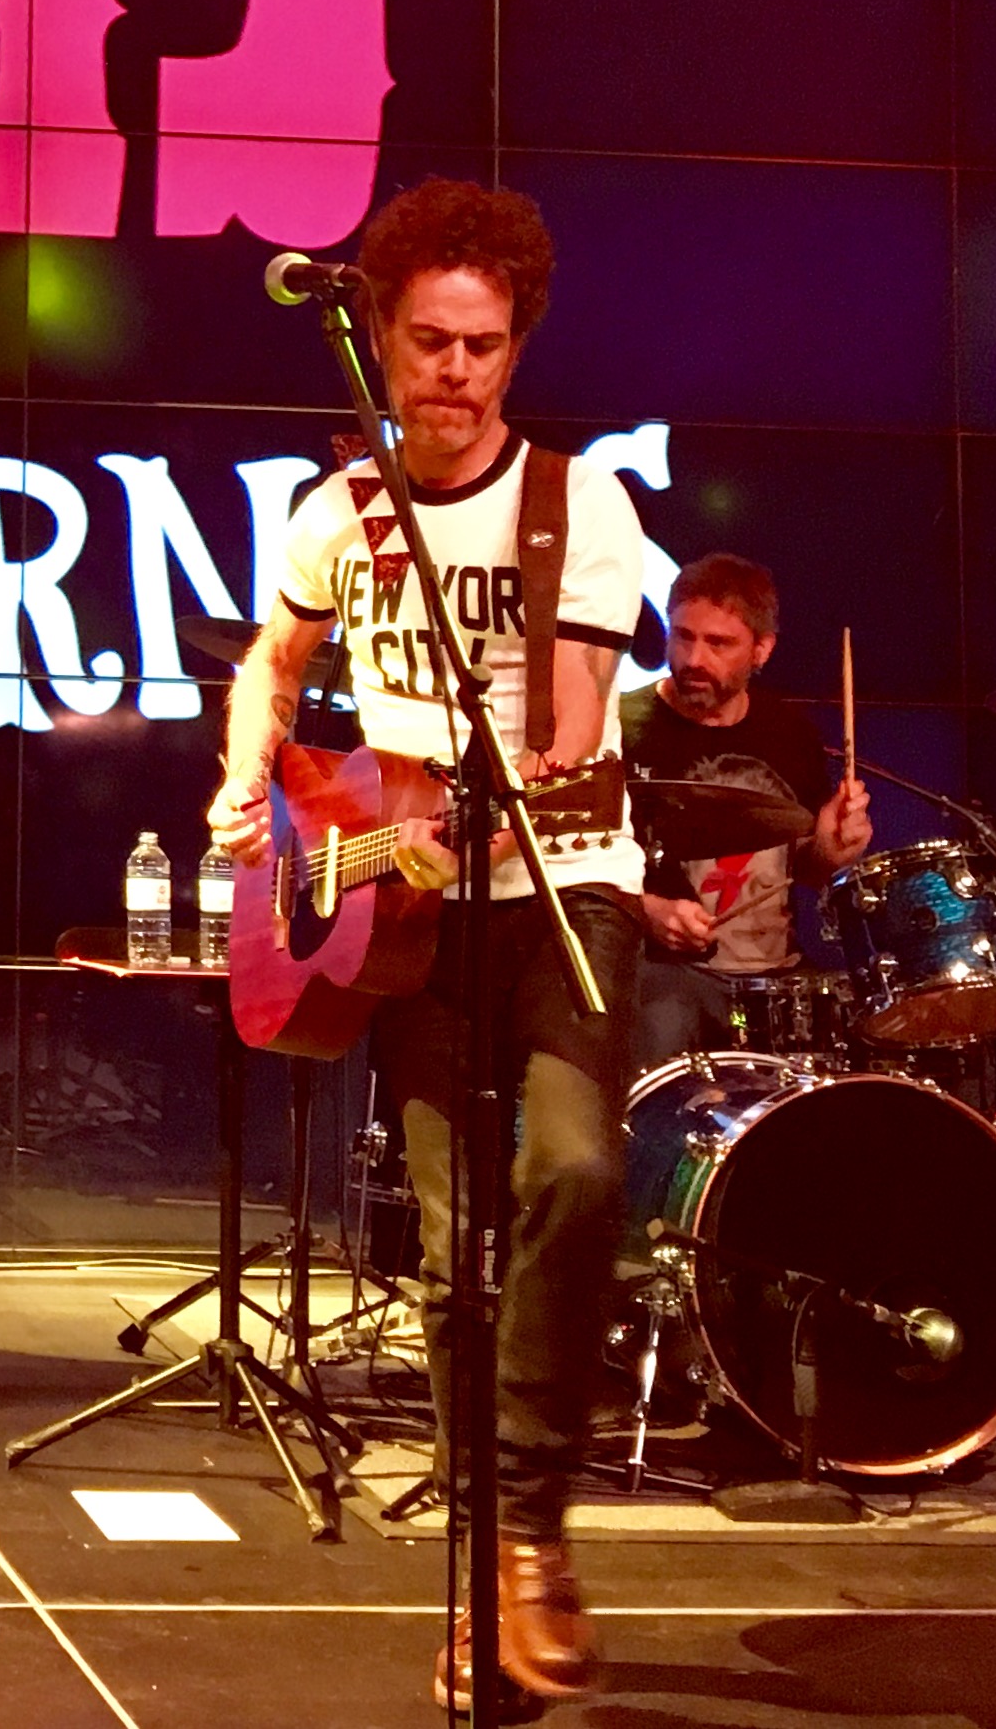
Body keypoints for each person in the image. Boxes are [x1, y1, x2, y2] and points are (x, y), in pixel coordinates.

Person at [204, 177, 645, 1710]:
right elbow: (271, 666)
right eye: (429, 341)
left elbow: (570, 732)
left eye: (482, 344)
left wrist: (504, 807)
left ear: (516, 347)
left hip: (562, 881)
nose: (454, 371)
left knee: (573, 1171)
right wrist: (247, 780)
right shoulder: (339, 513)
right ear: (382, 336)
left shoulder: (578, 506)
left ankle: (533, 1522)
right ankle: (482, 1575)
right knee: (452, 1258)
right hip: (410, 918)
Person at [623, 553, 873, 1071]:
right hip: (667, 973)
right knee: (661, 1013)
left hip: (775, 977)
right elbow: (570, 871)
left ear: (762, 649)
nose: (694, 658)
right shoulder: (621, 727)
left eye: (719, 643)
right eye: (683, 636)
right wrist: (647, 911)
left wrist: (830, 852)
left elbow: (804, 872)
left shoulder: (790, 734)